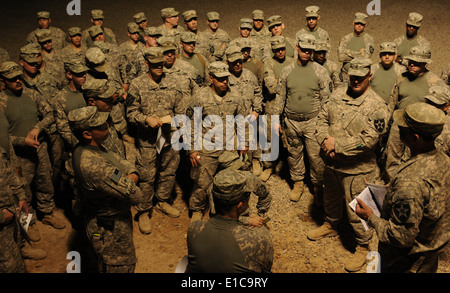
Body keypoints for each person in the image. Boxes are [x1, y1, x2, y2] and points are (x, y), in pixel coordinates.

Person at [308, 57, 389, 272]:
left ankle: (363, 246)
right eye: (353, 77)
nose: (355, 81)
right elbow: (321, 120)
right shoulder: (336, 96)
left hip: (358, 170)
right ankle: (331, 224)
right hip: (332, 164)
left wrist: (338, 145)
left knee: (358, 211)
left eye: (360, 77)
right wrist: (325, 142)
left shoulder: (377, 106)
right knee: (331, 199)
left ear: (369, 76)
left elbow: (370, 138)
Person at [355, 102, 450, 273]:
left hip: (407, 261)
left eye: (403, 128)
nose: (398, 129)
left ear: (415, 138)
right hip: (429, 253)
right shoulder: (444, 160)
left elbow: (400, 237)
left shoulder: (409, 182)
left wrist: (370, 217)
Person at [68, 106, 143, 273]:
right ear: (87, 134)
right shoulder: (94, 166)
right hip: (111, 228)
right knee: (119, 266)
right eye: (102, 126)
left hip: (106, 218)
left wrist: (130, 172)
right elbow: (136, 195)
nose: (108, 127)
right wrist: (131, 176)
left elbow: (116, 159)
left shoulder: (89, 147)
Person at [0, 61, 66, 237]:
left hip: (39, 149)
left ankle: (47, 212)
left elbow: (50, 113)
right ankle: (29, 224)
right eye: (12, 79)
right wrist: (23, 141)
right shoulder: (2, 103)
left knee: (45, 181)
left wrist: (38, 128)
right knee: (23, 190)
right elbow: (3, 138)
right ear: (3, 81)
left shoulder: (32, 95)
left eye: (18, 77)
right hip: (18, 156)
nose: (17, 81)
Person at [127, 47, 187, 234]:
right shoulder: (137, 85)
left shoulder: (174, 82)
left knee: (168, 171)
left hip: (169, 136)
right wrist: (145, 119)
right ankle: (144, 209)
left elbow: (182, 112)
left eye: (161, 64)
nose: (159, 67)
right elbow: (130, 112)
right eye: (155, 65)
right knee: (146, 174)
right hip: (148, 139)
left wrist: (174, 121)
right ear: (146, 64)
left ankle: (162, 200)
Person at [270, 34, 331, 203]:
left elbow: (327, 100)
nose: (306, 53)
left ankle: (318, 187)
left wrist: (323, 123)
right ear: (297, 47)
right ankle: (298, 183)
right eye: (303, 49)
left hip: (312, 121)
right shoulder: (287, 71)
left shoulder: (321, 71)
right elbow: (280, 96)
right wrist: (276, 119)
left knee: (316, 157)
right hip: (291, 122)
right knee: (293, 153)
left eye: (309, 51)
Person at [187, 61, 249, 222]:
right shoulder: (200, 97)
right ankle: (197, 210)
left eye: (226, 79)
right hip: (207, 147)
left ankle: (228, 211)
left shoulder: (235, 95)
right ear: (211, 79)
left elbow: (242, 121)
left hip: (229, 147)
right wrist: (192, 150)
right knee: (202, 183)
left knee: (234, 180)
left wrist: (245, 142)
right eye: (220, 79)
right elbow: (191, 124)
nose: (224, 82)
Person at [186, 168, 273, 273]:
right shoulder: (260, 238)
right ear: (240, 205)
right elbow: (265, 270)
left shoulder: (194, 228)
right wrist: (247, 220)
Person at [384, 46, 445, 181]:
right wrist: (386, 124)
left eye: (417, 62)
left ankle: (411, 183)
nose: (412, 64)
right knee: (392, 157)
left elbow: (442, 104)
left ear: (425, 63)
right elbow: (392, 102)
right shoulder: (401, 78)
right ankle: (394, 185)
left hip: (419, 127)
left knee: (414, 157)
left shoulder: (434, 81)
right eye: (411, 61)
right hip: (399, 122)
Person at [259, 36, 295, 182]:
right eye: (277, 50)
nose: (280, 52)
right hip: (272, 106)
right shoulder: (268, 63)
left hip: (289, 105)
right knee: (269, 137)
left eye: (282, 49)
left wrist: (278, 79)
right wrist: (287, 81)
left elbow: (295, 85)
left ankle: (292, 168)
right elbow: (271, 87)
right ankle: (269, 165)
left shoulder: (293, 62)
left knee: (291, 137)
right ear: (273, 51)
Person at [225, 45, 264, 176]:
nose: (237, 64)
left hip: (248, 118)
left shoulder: (249, 75)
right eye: (234, 62)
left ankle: (252, 165)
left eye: (239, 61)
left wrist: (257, 110)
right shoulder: (224, 78)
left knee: (249, 146)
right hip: (229, 121)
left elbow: (258, 93)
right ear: (227, 62)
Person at [337, 12, 375, 84]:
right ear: (353, 23)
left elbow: (366, 57)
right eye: (357, 23)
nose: (359, 26)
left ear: (365, 25)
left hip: (361, 77)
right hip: (346, 75)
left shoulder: (369, 39)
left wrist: (347, 51)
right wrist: (360, 53)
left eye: (362, 24)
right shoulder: (346, 38)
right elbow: (341, 57)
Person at [370, 42, 406, 115]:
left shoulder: (401, 70)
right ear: (380, 55)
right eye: (384, 54)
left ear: (395, 55)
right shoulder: (372, 69)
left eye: (390, 54)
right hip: (373, 108)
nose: (387, 57)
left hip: (393, 110)